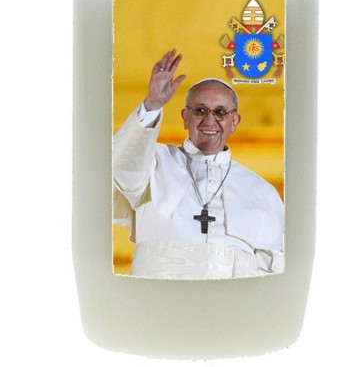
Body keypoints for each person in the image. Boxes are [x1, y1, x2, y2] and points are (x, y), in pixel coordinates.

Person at [113, 49, 284, 279]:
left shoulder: (262, 192)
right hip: (158, 292)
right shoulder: (153, 163)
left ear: (235, 122)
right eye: (200, 111)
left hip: (232, 296)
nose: (209, 120)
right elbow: (122, 167)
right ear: (185, 118)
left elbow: (274, 268)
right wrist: (152, 104)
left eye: (220, 112)